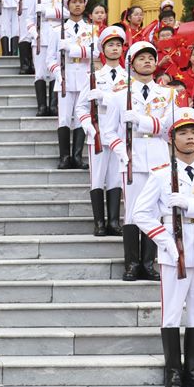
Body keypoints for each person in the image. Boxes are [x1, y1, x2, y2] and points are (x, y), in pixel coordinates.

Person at [132, 107, 194, 387]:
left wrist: (190, 204)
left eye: (193, 133)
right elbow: (140, 213)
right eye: (182, 133)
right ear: (171, 139)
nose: (189, 138)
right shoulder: (161, 175)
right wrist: (165, 242)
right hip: (175, 249)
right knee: (172, 312)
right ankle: (173, 372)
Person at [100, 41, 178, 282]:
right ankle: (132, 263)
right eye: (141, 58)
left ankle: (149, 262)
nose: (147, 61)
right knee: (133, 212)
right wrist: (121, 150)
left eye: (151, 58)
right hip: (131, 157)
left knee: (154, 210)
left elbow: (169, 128)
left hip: (157, 155)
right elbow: (108, 131)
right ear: (131, 63)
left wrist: (143, 121)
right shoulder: (118, 95)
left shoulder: (168, 94)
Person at [78, 25, 127, 236]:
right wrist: (87, 124)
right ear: (103, 50)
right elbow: (80, 106)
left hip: (118, 135)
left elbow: (128, 104)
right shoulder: (95, 77)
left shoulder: (129, 78)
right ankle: (99, 222)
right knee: (97, 179)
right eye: (110, 45)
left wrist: (106, 98)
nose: (115, 49)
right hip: (98, 134)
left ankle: (114, 222)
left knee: (116, 178)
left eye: (118, 45)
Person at [47, 0, 97, 170]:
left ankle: (77, 157)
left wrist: (74, 49)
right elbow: (50, 59)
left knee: (81, 116)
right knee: (64, 118)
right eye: (74, 2)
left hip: (84, 78)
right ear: (67, 5)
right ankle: (64, 157)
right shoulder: (56, 31)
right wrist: (57, 75)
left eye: (80, 2)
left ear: (85, 5)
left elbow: (97, 53)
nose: (77, 5)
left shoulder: (92, 30)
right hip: (65, 78)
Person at [25, 0, 64, 117]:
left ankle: (53, 106)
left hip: (57, 38)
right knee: (40, 74)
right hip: (41, 38)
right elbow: (29, 19)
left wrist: (48, 12)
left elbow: (68, 13)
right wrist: (35, 35)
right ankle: (42, 106)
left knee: (55, 73)